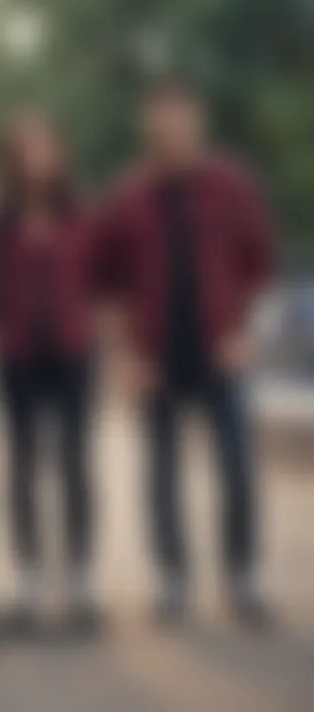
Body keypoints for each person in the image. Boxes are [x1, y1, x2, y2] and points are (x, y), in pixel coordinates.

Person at [100, 77, 276, 627]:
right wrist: (125, 356)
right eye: (160, 118)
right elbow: (107, 280)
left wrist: (245, 335)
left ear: (197, 120)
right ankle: (173, 580)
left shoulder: (232, 184)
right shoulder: (128, 193)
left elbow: (261, 265)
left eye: (180, 116)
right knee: (162, 475)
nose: (170, 127)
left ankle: (241, 577)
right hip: (156, 356)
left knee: (238, 468)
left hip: (220, 351)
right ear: (146, 124)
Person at [0, 111, 105, 635]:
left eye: (46, 147)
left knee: (76, 463)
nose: (37, 157)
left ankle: (79, 577)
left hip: (73, 353)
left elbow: (105, 282)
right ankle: (30, 576)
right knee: (23, 464)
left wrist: (105, 331)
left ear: (60, 155)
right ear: (13, 159)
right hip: (16, 357)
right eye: (26, 148)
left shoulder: (83, 216)